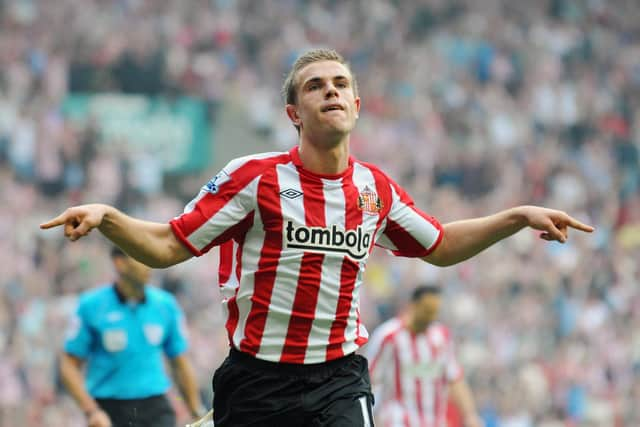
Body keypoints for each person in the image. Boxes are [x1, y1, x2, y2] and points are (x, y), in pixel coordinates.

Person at [41, 48, 594, 427]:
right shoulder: (252, 178)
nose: (330, 91)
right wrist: (109, 217)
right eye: (315, 86)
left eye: (341, 84)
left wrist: (517, 216)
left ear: (356, 104)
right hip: (257, 379)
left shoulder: (375, 189)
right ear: (294, 114)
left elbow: (441, 245)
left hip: (339, 375)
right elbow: (168, 245)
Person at [59, 246, 206, 427]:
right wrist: (91, 411)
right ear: (120, 263)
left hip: (156, 408)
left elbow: (180, 363)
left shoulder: (166, 305)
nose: (149, 264)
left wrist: (196, 411)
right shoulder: (90, 306)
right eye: (141, 257)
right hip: (109, 410)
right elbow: (69, 366)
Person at [366, 285, 483, 427]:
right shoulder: (389, 336)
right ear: (412, 306)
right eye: (427, 311)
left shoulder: (441, 337)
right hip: (397, 422)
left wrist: (470, 415)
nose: (430, 317)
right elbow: (369, 380)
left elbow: (454, 378)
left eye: (434, 312)